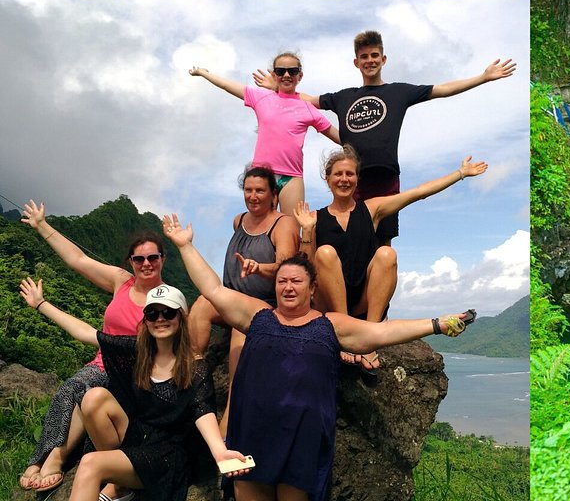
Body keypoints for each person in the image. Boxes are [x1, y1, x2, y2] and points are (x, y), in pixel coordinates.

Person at [162, 214, 473, 501]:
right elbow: (213, 288)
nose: (287, 286)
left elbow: (382, 333)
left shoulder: (330, 325)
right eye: (282, 281)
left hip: (303, 440)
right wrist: (185, 245)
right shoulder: (257, 315)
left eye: (296, 281)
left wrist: (437, 324)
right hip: (253, 433)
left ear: (312, 288)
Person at [254, 31, 514, 247]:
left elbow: (441, 90)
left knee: (382, 244)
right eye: (364, 56)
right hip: (351, 179)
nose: (369, 60)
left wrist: (483, 77)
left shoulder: (398, 92)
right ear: (356, 62)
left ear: (383, 59)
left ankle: (381, 308)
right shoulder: (343, 97)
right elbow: (303, 99)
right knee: (349, 240)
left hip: (385, 176)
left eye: (374, 55)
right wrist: (277, 87)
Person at [18, 277, 249, 501]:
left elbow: (203, 410)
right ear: (145, 320)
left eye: (168, 313)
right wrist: (41, 304)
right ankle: (119, 481)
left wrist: (220, 451)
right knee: (93, 397)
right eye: (152, 313)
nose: (160, 319)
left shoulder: (193, 366)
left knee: (91, 464)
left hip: (169, 453)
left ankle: (116, 481)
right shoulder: (139, 351)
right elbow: (85, 333)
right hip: (140, 437)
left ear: (181, 318)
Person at [18, 202, 173, 495]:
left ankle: (56, 458)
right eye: (139, 259)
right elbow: (77, 259)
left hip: (135, 373)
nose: (146, 264)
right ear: (130, 262)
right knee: (73, 387)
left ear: (163, 259)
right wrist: (41, 225)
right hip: (103, 359)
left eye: (153, 257)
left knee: (85, 390)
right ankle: (43, 458)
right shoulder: (121, 281)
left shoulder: (168, 299)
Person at [296, 145, 486, 374]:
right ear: (328, 179)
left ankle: (371, 338)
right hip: (333, 304)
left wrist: (461, 173)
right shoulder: (315, 218)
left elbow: (417, 192)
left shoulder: (372, 209)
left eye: (350, 174)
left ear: (357, 179)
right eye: (338, 174)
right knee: (325, 252)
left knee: (387, 254)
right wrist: (306, 231)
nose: (344, 179)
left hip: (363, 299)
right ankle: (347, 332)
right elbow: (304, 271)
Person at [187, 167, 300, 433]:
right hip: (230, 297)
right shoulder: (239, 220)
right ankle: (195, 376)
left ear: (273, 194)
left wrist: (259, 267)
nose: (253, 196)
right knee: (202, 305)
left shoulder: (282, 224)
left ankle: (229, 417)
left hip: (265, 304)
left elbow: (286, 266)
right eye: (248, 190)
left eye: (260, 190)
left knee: (241, 328)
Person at [190, 52, 342, 216]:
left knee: (290, 229)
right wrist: (204, 73)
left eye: (292, 71)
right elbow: (227, 86)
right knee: (261, 229)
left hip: (291, 177)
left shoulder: (308, 108)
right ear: (274, 74)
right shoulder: (261, 97)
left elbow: (340, 137)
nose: (286, 75)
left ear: (300, 75)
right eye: (280, 71)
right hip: (261, 175)